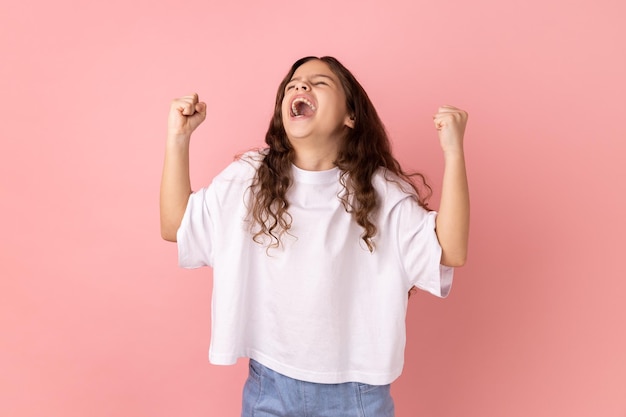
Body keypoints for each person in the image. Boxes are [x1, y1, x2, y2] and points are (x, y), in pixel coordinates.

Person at [160, 56, 469, 417]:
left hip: (356, 395)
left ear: (350, 116)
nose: (300, 86)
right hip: (268, 386)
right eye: (293, 83)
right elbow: (175, 226)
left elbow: (450, 251)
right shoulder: (248, 178)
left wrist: (453, 152)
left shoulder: (383, 193)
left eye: (319, 82)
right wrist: (178, 138)